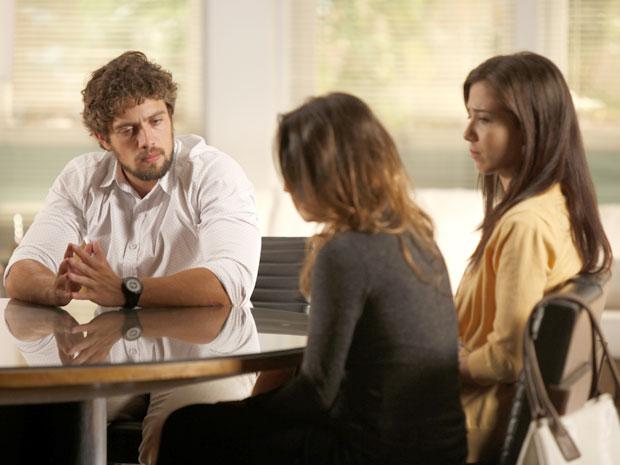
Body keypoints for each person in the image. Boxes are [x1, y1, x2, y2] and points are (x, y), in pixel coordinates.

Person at [156, 92, 467, 465]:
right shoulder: (418, 239)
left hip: (371, 453)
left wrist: (242, 411)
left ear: (326, 171)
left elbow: (317, 390)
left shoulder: (345, 252)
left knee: (186, 427)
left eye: (293, 171)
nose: (287, 187)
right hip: (443, 450)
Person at [2, 51, 261, 465]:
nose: (148, 140)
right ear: (104, 140)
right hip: (113, 360)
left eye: (156, 121)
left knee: (181, 433)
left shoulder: (213, 174)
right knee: (37, 419)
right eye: (129, 130)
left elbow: (225, 285)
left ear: (171, 116)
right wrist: (53, 286)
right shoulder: (81, 179)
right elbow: (20, 272)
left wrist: (127, 290)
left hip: (206, 360)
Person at [456, 51, 613, 463]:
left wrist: (446, 361)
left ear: (529, 129)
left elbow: (506, 358)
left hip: (468, 421)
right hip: (475, 409)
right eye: (470, 115)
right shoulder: (557, 203)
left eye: (485, 119)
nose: (468, 133)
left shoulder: (524, 225)